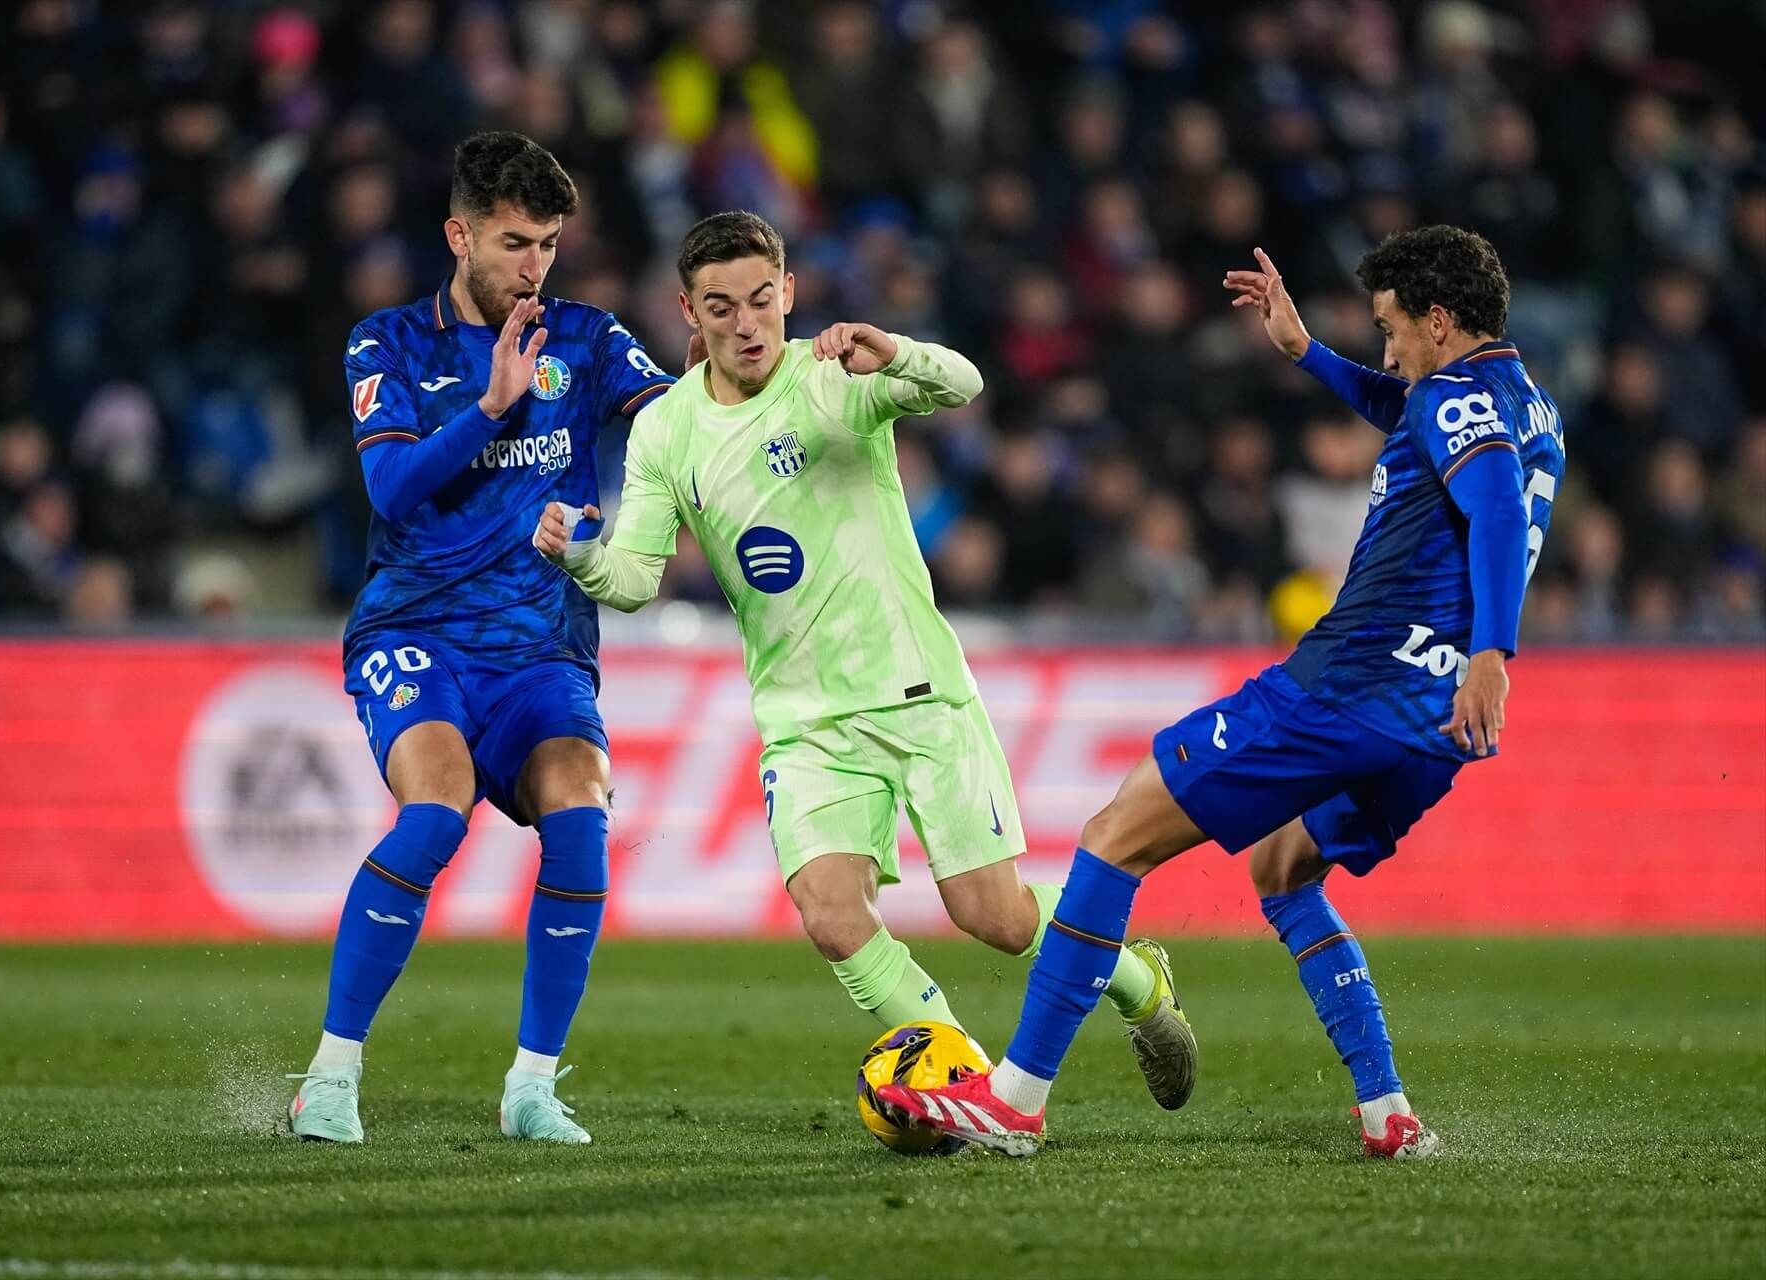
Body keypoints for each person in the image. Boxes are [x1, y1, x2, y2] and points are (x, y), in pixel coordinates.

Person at [879, 226, 1564, 1159]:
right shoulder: (1526, 408)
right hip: (1430, 727)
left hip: (1347, 687)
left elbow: (1485, 503)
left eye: (1391, 328)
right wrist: (1309, 355)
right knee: (1284, 873)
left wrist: (1497, 652)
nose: (1389, 348)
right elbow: (1425, 420)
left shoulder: (1452, 403)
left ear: (1438, 320)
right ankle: (1387, 1113)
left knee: (1114, 838)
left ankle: (1015, 1099)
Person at [532, 211, 1197, 1112]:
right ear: (689, 311)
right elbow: (637, 578)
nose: (746, 324)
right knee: (832, 916)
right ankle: (962, 1082)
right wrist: (577, 555)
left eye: (762, 300)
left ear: (789, 293)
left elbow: (964, 384)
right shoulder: (665, 432)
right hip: (805, 722)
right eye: (720, 307)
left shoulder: (834, 376)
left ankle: (1138, 983)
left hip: (918, 694)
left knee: (994, 919)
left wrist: (900, 357)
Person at [287, 131, 677, 1146]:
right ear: (460, 234)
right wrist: (493, 407)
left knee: (583, 817)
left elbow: (681, 428)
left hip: (541, 648)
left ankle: (533, 1087)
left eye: (548, 243)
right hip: (415, 632)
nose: (534, 265)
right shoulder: (388, 345)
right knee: (437, 808)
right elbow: (393, 485)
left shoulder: (588, 340)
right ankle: (329, 1078)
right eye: (513, 242)